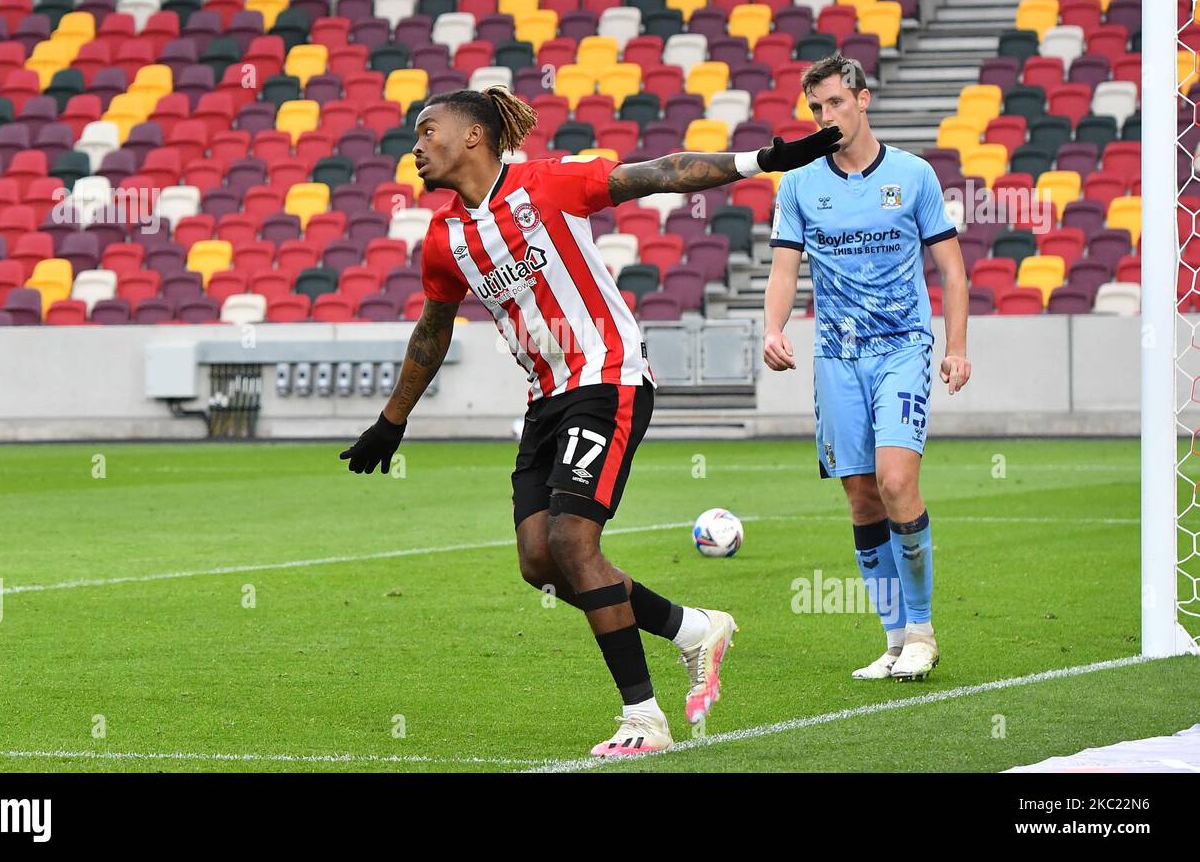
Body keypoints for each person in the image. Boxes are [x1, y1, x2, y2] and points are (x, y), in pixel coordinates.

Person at [340, 85, 840, 755]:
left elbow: (661, 172)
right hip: (544, 398)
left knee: (574, 542)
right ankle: (692, 628)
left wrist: (765, 159)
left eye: (429, 130)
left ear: (472, 137)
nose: (416, 145)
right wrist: (391, 420)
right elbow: (431, 331)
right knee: (539, 561)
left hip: (607, 375)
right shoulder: (442, 240)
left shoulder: (551, 183)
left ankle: (644, 720)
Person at [762, 54, 971, 682]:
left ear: (862, 98)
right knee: (860, 499)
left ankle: (923, 629)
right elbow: (783, 269)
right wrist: (772, 328)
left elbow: (953, 271)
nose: (826, 117)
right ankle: (893, 639)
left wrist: (955, 346)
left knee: (896, 482)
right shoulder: (798, 183)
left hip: (903, 348)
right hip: (836, 358)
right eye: (816, 108)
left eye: (834, 103)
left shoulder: (913, 175)